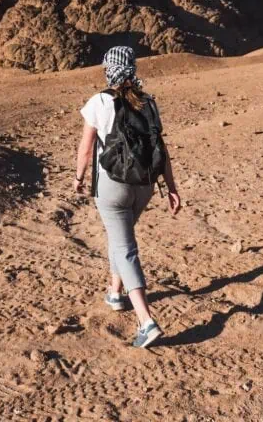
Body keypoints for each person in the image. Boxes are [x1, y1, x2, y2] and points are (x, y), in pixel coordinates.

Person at [74, 46, 182, 348]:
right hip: (145, 183)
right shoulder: (148, 102)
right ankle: (115, 293)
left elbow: (86, 148)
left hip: (112, 185)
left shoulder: (99, 101)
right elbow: (162, 148)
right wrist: (171, 187)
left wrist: (79, 178)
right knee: (119, 238)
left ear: (109, 69)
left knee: (125, 247)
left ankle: (146, 321)